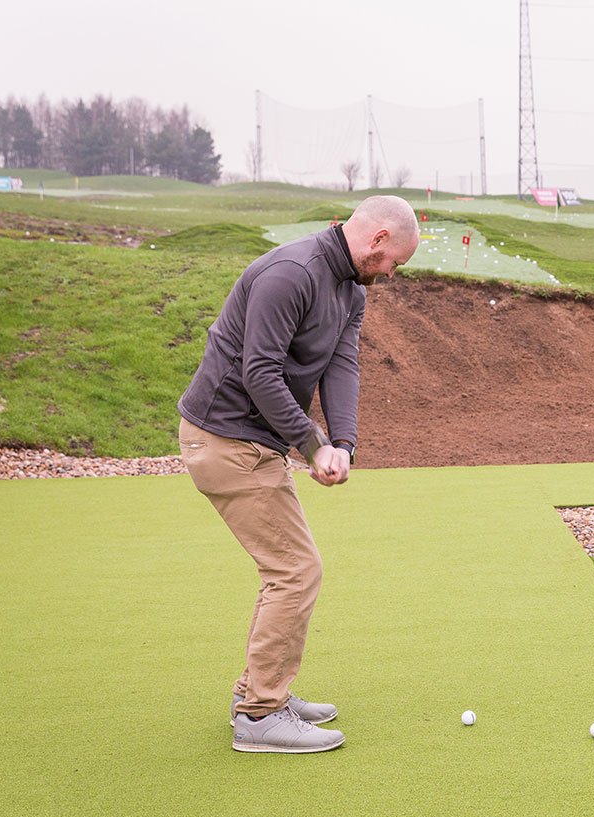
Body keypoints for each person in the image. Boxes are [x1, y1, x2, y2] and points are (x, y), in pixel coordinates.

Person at [178, 195, 419, 754]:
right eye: (394, 262)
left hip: (254, 440)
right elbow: (258, 371)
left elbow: (342, 362)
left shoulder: (351, 289)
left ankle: (267, 694)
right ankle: (260, 714)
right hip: (223, 436)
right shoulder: (291, 273)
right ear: (378, 239)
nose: (391, 274)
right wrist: (311, 445)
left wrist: (344, 442)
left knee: (292, 567)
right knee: (294, 570)